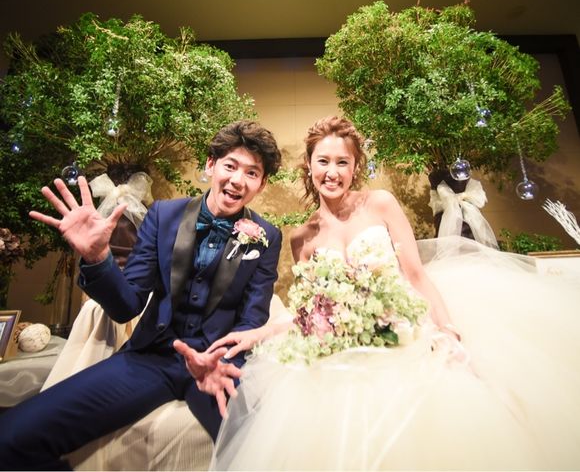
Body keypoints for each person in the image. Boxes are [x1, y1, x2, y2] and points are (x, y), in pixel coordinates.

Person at [200, 116, 580, 471]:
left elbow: (416, 276)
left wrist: (448, 333)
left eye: (342, 162)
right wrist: (261, 333)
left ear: (355, 167)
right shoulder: (303, 237)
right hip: (345, 353)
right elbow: (312, 313)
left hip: (406, 337)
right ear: (309, 165)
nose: (332, 172)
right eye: (323, 161)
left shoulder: (380, 203)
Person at [0, 120, 283, 471]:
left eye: (252, 173)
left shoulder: (267, 236)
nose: (238, 180)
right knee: (11, 438)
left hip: (218, 367)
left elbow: (251, 321)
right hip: (151, 358)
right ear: (210, 165)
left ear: (261, 183)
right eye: (230, 166)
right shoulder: (163, 215)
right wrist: (98, 259)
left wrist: (220, 357)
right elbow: (127, 305)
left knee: (261, 455)